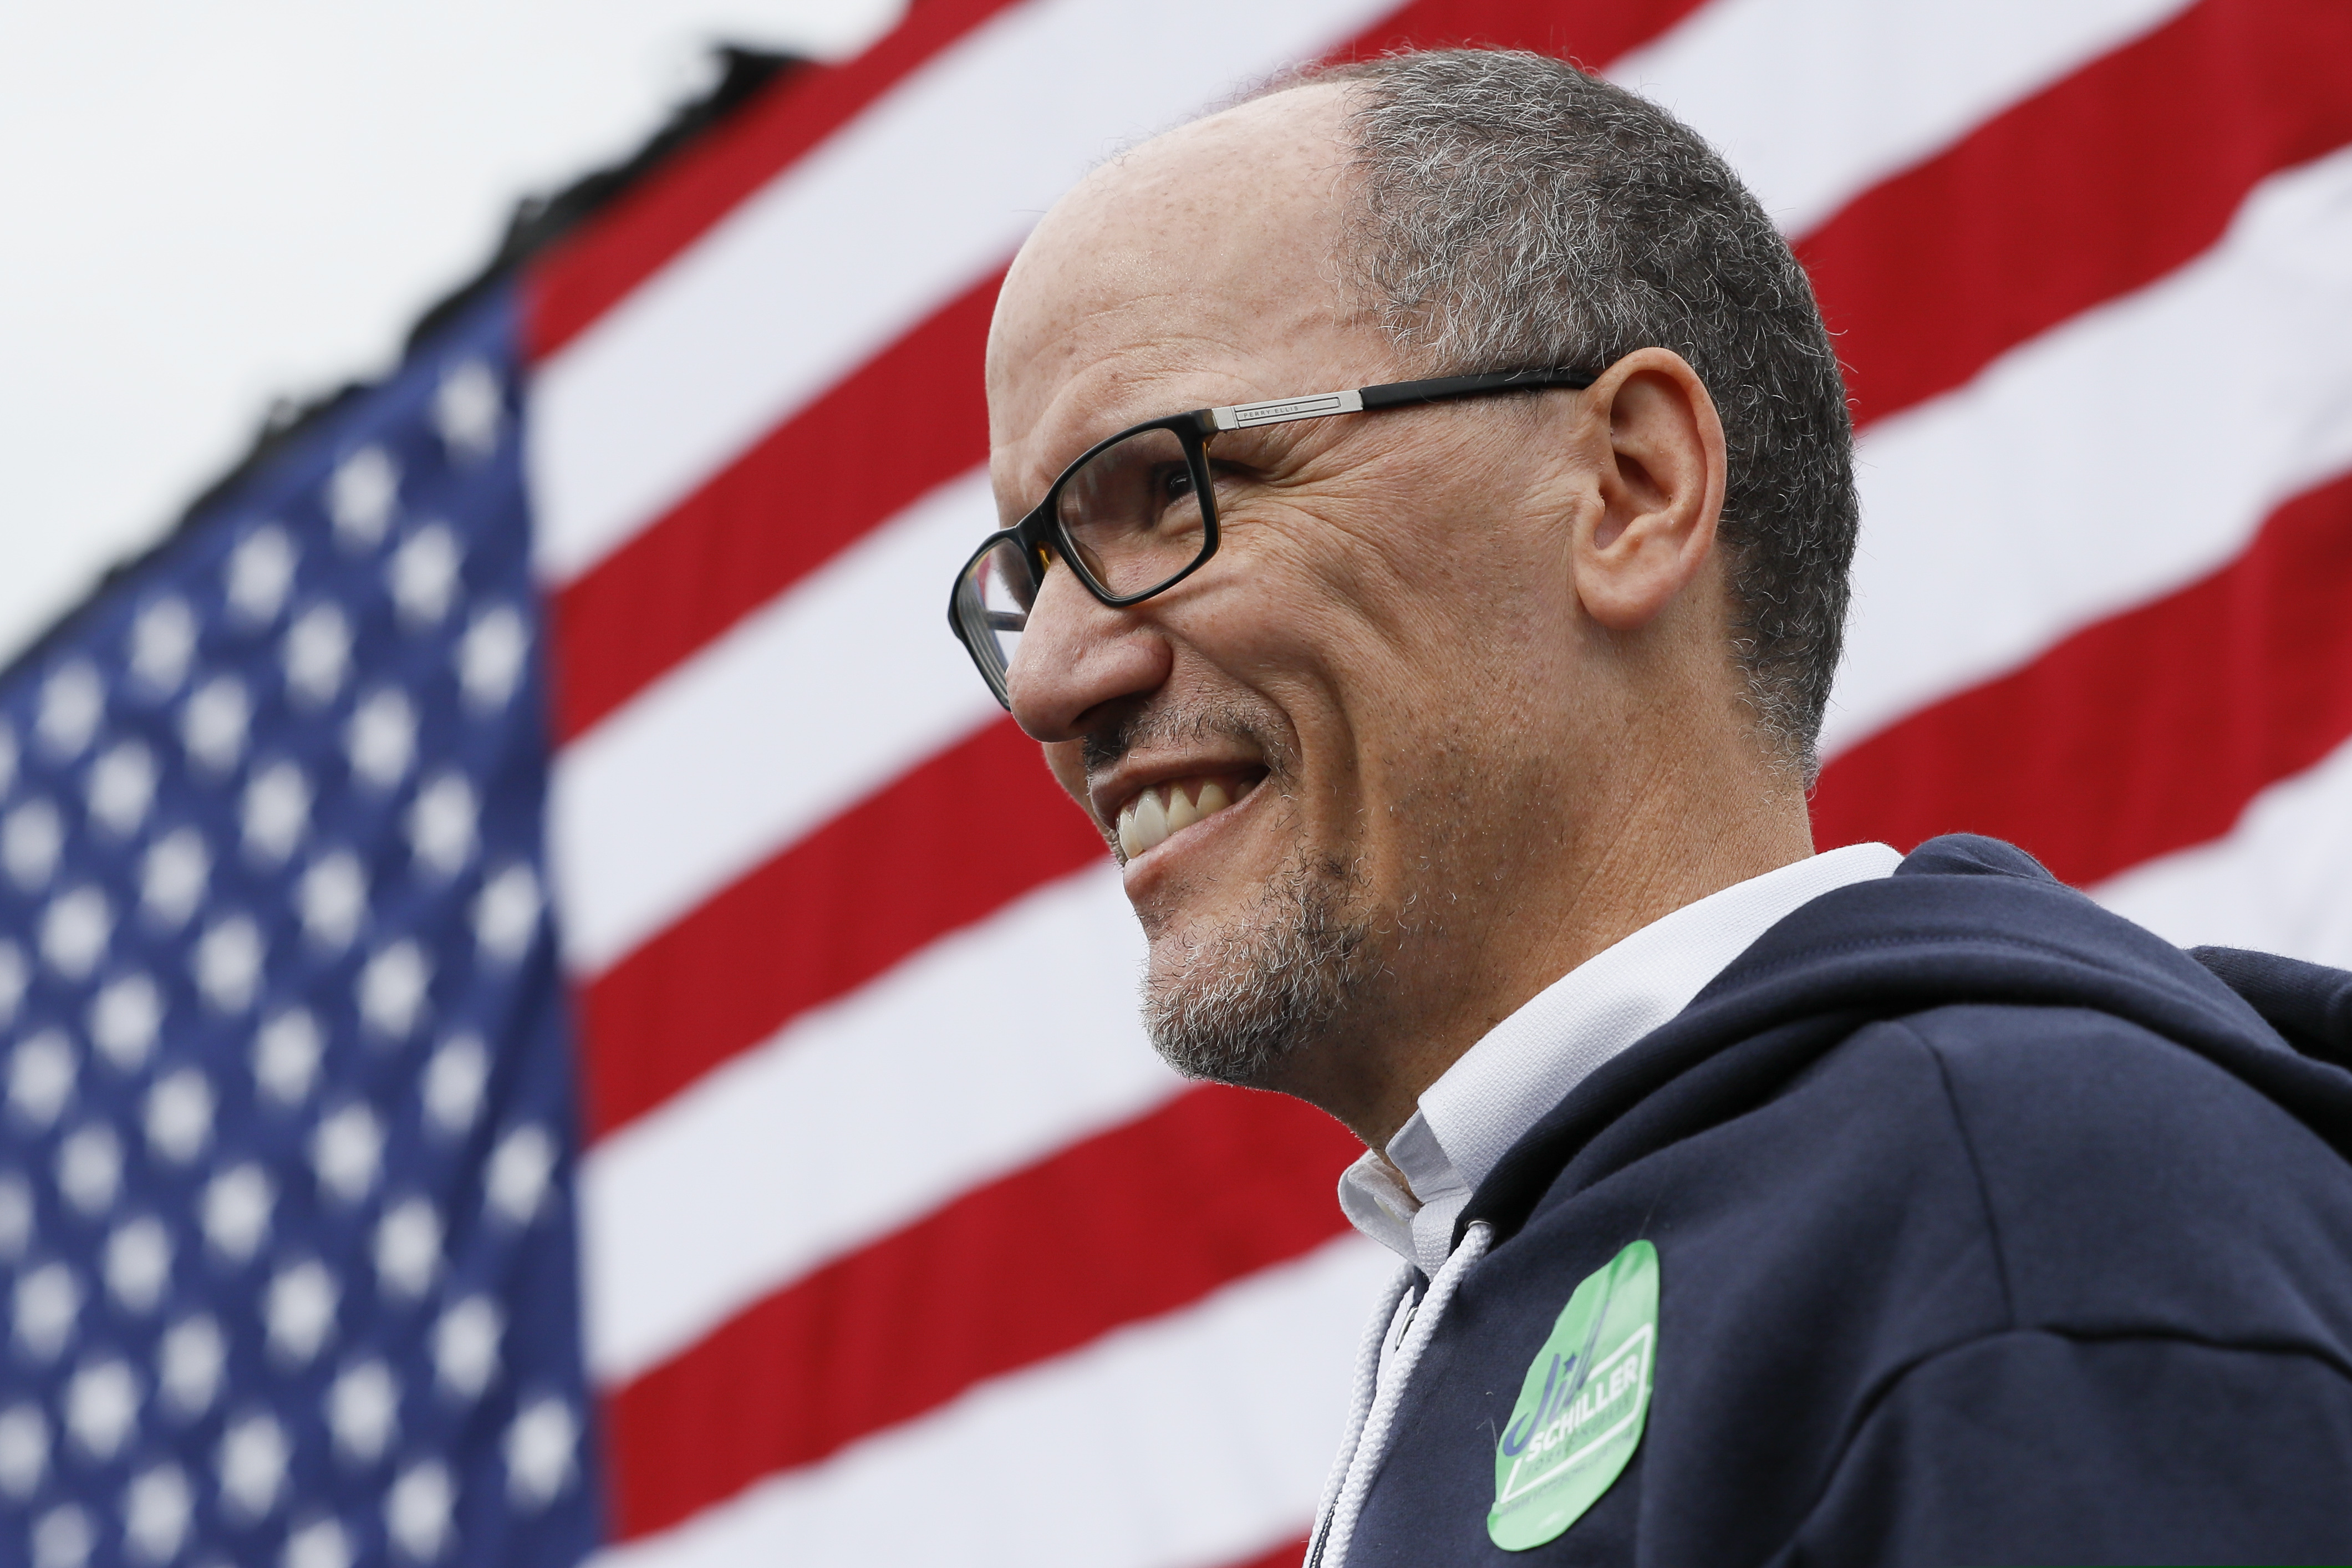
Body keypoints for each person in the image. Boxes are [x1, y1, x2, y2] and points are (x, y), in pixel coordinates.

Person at [948, 47, 2352, 1567]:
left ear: (1629, 485)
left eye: (1170, 489)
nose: (1053, 682)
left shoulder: (2019, 1214)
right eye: (1031, 576)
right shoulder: (1616, 1267)